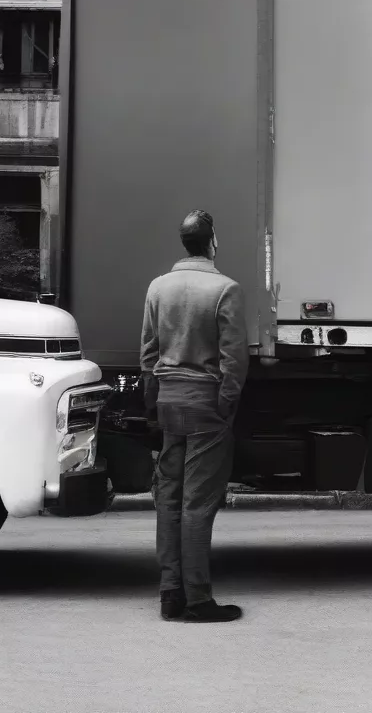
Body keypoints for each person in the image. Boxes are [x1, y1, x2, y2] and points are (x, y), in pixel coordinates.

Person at [140, 210, 249, 622]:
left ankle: (170, 594)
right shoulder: (225, 289)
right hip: (206, 403)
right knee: (198, 503)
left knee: (168, 499)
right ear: (212, 242)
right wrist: (226, 402)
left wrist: (153, 401)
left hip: (169, 401)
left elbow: (148, 352)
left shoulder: (158, 287)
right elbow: (233, 359)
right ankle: (199, 600)